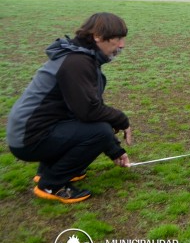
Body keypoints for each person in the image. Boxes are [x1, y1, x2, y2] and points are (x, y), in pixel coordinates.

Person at [6, 12, 132, 203]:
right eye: (118, 39)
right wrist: (122, 120)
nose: (122, 45)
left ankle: (49, 171)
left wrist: (115, 151)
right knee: (100, 130)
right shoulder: (77, 62)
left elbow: (86, 109)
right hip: (29, 138)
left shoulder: (80, 56)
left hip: (32, 132)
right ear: (98, 36)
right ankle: (51, 185)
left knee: (97, 126)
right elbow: (90, 111)